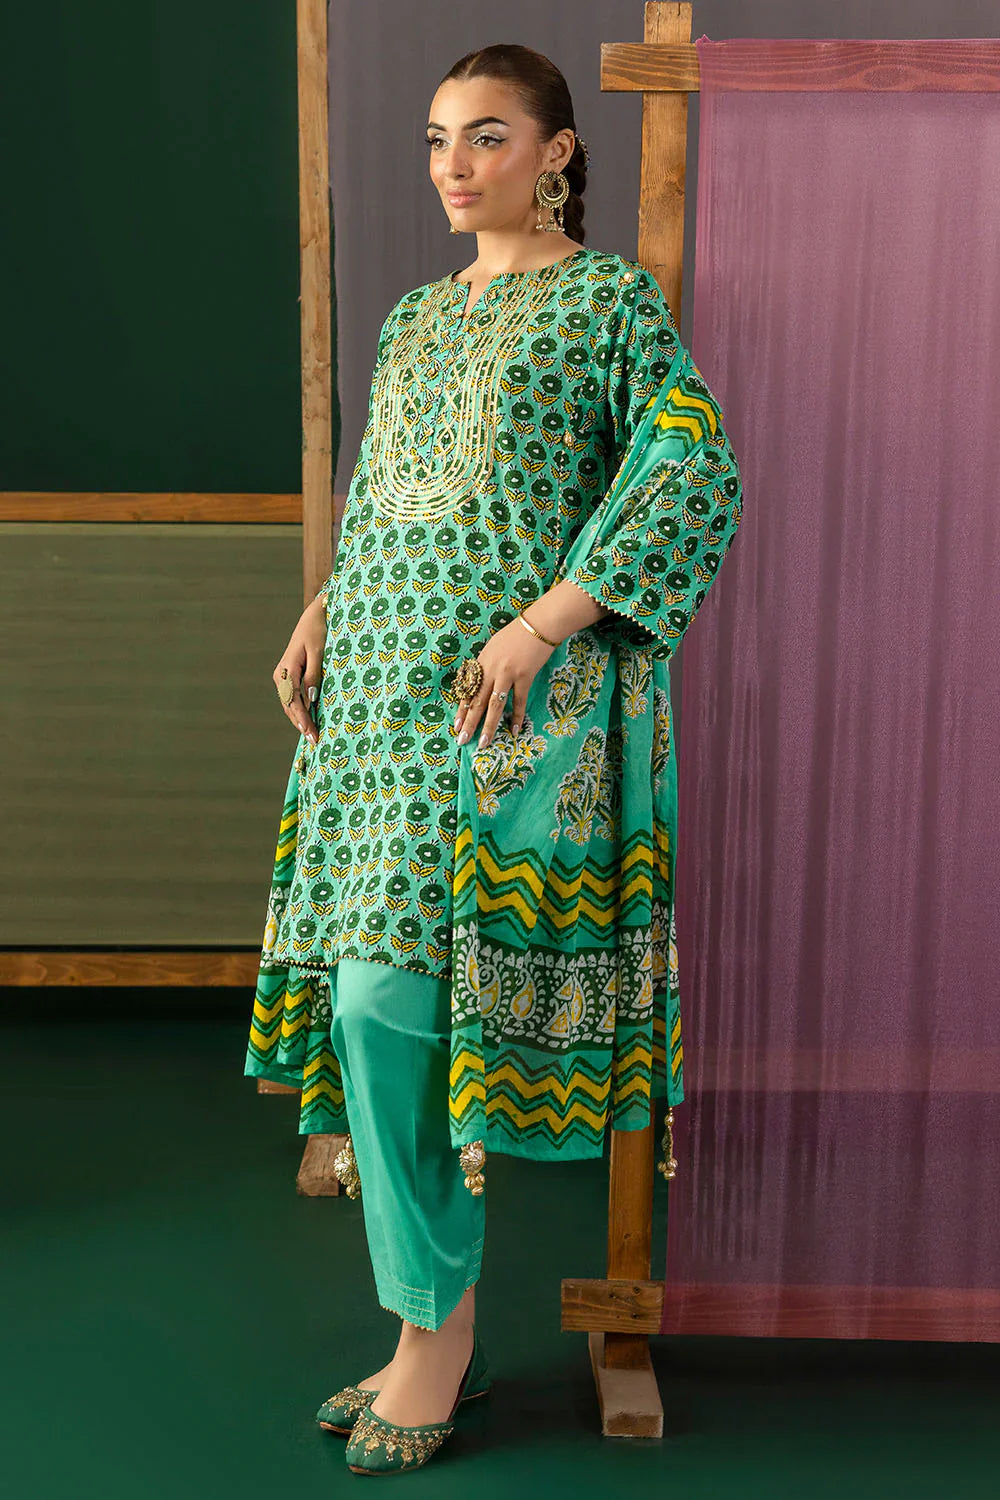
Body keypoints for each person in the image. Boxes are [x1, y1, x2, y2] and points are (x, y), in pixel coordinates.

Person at [243, 42, 743, 1476]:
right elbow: (389, 490)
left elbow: (691, 470)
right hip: (374, 705)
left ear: (557, 152)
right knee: (366, 1006)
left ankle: (433, 1335)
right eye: (435, 139)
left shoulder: (608, 304)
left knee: (398, 1006)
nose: (453, 166)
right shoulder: (413, 318)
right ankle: (431, 1321)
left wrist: (540, 627)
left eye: (486, 136)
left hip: (496, 719)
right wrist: (323, 608)